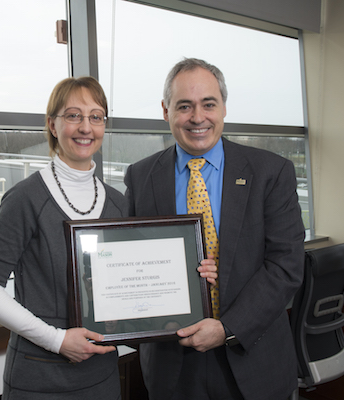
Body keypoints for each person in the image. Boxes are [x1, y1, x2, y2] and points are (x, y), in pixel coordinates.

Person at [0, 76, 217, 399]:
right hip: (38, 377)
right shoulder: (25, 200)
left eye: (96, 117)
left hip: (101, 377)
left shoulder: (118, 202)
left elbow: (134, 281)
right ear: (52, 125)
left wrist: (193, 273)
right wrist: (57, 340)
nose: (86, 127)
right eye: (73, 115)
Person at [124, 58, 305, 400]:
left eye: (208, 104)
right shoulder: (140, 176)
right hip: (172, 366)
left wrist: (227, 329)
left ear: (223, 107)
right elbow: (133, 258)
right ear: (166, 111)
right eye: (184, 106)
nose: (197, 117)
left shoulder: (271, 172)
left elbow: (287, 266)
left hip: (252, 358)